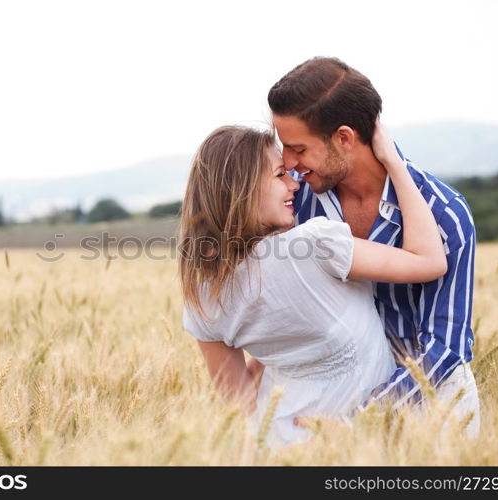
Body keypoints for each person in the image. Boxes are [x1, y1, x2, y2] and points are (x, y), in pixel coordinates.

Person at [179, 121, 447, 448]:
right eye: (280, 175)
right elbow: (430, 260)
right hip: (361, 446)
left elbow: (242, 404)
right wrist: (395, 163)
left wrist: (284, 352)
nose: (294, 184)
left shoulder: (202, 293)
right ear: (242, 190)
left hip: (278, 448)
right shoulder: (316, 244)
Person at [268, 57, 479, 435]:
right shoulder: (299, 204)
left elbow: (445, 349)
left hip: (432, 416)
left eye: (298, 148)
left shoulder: (444, 216)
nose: (289, 163)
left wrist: (360, 419)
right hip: (325, 409)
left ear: (344, 138)